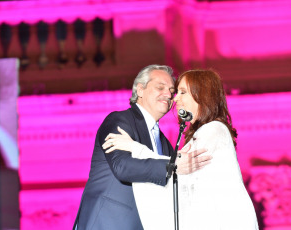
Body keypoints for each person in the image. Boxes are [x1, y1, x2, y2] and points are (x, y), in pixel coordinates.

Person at [104, 69, 259, 229]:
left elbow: (179, 170)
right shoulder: (202, 133)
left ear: (202, 94)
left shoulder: (214, 129)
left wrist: (134, 148)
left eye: (183, 92)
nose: (175, 98)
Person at [73, 65, 211, 230]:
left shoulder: (165, 144)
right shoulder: (119, 120)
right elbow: (122, 167)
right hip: (108, 223)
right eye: (160, 87)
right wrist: (173, 166)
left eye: (171, 91)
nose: (168, 95)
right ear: (140, 90)